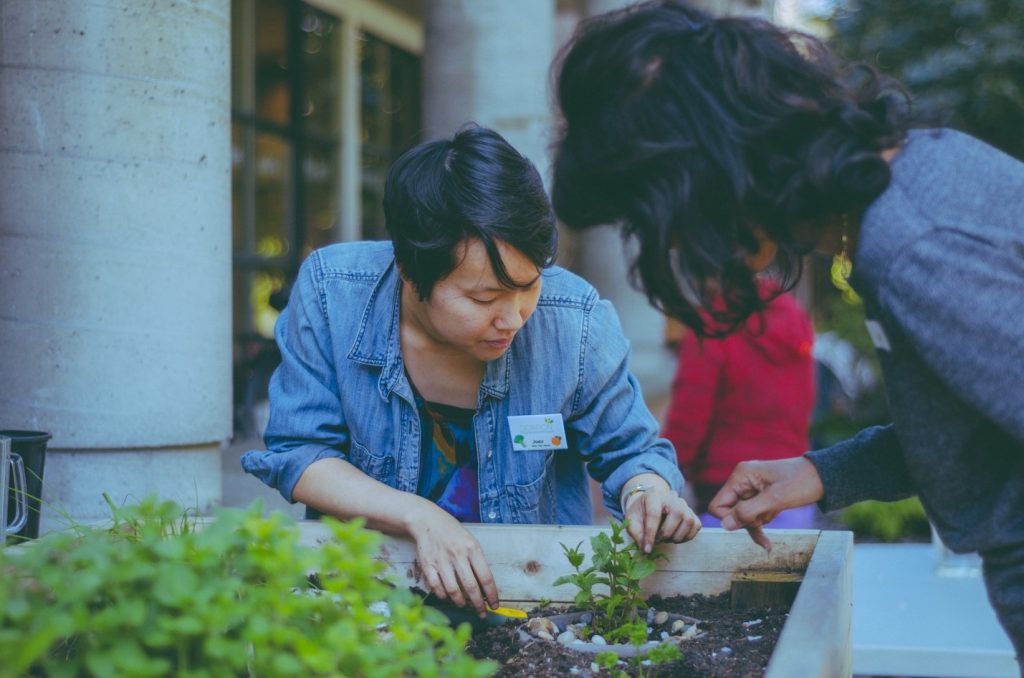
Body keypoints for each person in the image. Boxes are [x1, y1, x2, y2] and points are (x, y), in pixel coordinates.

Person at [550, 0, 1024, 663]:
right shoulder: (904, 198)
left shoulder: (915, 247)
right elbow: (984, 431)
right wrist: (821, 472)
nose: (682, 248)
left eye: (665, 220)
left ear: (714, 179)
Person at [241, 125, 701, 620]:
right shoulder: (334, 293)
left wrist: (647, 492)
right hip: (368, 602)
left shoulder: (575, 319)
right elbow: (302, 453)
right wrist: (419, 516)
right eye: (483, 298)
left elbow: (631, 452)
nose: (513, 318)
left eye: (527, 286)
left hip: (533, 609)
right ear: (410, 271)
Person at [663, 280, 816, 528]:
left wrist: (655, 477)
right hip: (793, 492)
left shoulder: (711, 327)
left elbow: (687, 423)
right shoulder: (795, 315)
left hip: (726, 499)